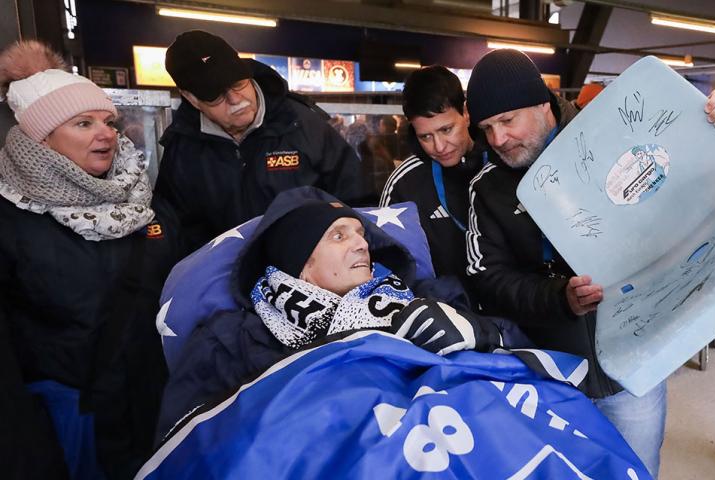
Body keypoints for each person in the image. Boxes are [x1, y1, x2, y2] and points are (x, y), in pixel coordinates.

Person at [464, 48, 715, 478]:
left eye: (508, 121)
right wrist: (558, 297)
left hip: (632, 365)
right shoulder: (488, 188)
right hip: (551, 372)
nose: (498, 139)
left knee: (635, 469)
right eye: (487, 128)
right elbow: (489, 277)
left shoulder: (612, 136)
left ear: (542, 104)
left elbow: (693, 161)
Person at [157, 187, 504, 438]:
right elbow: (187, 445)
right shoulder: (232, 342)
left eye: (360, 234)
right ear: (299, 264)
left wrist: (480, 334)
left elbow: (517, 352)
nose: (362, 244)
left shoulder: (424, 297)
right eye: (339, 236)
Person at [0, 41, 178, 478]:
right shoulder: (10, 219)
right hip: (65, 421)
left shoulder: (144, 204)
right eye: (84, 123)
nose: (107, 134)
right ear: (40, 139)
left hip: (150, 402)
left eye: (108, 122)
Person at [155, 30, 364, 252]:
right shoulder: (181, 150)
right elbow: (176, 230)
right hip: (223, 268)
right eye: (215, 95)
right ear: (191, 98)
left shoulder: (302, 124)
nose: (235, 99)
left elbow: (356, 200)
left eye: (238, 83)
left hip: (311, 265)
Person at [379, 66, 488, 302]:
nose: (439, 146)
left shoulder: (501, 162)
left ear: (466, 113)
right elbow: (390, 271)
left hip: (512, 311)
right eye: (425, 136)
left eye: (446, 129)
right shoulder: (403, 183)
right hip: (444, 314)